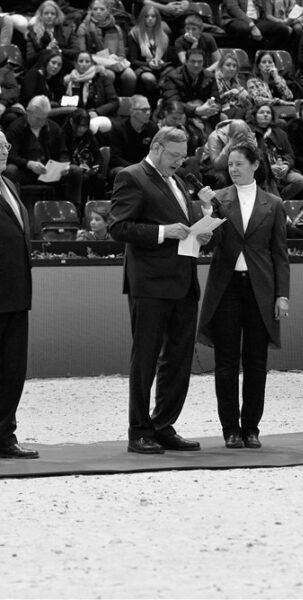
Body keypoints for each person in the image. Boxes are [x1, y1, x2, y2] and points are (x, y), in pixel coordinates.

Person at [109, 127, 212, 454]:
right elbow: (118, 227)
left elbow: (183, 228)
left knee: (178, 360)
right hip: (150, 284)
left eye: (183, 156)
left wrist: (200, 231)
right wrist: (163, 232)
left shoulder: (177, 181)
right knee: (146, 359)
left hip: (183, 282)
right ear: (155, 147)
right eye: (174, 155)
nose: (179, 162)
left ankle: (163, 425)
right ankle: (139, 431)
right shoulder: (132, 176)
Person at [197, 143, 290, 450]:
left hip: (260, 288)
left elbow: (280, 253)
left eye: (239, 163)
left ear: (255, 165)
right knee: (225, 362)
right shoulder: (217, 198)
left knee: (256, 361)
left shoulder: (273, 203)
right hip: (226, 288)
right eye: (230, 165)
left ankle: (251, 428)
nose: (233, 169)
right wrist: (206, 212)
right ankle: (230, 429)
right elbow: (212, 242)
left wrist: (282, 295)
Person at [0, 130, 39, 460]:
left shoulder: (10, 184)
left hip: (16, 293)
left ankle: (5, 436)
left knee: (12, 369)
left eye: (6, 145)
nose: (4, 150)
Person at [5, 95, 84, 213]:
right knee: (10, 170)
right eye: (38, 119)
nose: (41, 122)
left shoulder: (54, 128)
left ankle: (72, 212)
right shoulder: (16, 128)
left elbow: (63, 152)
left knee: (75, 171)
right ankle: (14, 211)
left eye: (44, 118)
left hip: (49, 172)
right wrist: (29, 164)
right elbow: (10, 155)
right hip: (25, 171)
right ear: (28, 112)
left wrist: (64, 165)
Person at [76, 0, 137, 96]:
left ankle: (123, 100)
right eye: (95, 9)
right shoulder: (84, 27)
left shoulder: (116, 29)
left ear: (108, 11)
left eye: (102, 9)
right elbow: (82, 53)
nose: (98, 12)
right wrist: (102, 60)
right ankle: (106, 101)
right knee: (109, 75)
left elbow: (121, 54)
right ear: (90, 10)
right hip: (93, 62)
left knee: (130, 76)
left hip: (113, 63)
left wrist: (118, 59)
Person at [249, 102, 303, 199]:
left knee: (299, 180)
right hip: (262, 172)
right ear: (255, 115)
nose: (265, 115)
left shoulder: (280, 133)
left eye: (268, 113)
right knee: (267, 181)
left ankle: (279, 200)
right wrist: (270, 167)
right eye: (262, 112)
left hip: (281, 169)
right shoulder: (250, 132)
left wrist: (286, 165)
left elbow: (290, 154)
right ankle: (275, 200)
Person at [159, 48, 220, 134]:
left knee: (224, 118)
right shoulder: (172, 76)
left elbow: (216, 98)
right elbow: (172, 102)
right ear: (186, 62)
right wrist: (196, 110)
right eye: (193, 61)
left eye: (199, 62)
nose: (196, 65)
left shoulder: (210, 76)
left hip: (205, 113)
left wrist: (211, 107)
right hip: (180, 113)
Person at [127, 5, 174, 106]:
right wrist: (149, 64)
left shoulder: (163, 36)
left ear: (157, 19)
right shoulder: (134, 34)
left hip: (159, 68)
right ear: (142, 18)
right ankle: (153, 106)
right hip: (142, 68)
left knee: (172, 74)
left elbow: (164, 59)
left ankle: (165, 104)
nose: (150, 19)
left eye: (153, 16)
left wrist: (160, 62)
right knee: (149, 79)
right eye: (146, 16)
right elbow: (133, 61)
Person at [63, 50, 119, 134]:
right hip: (77, 116)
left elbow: (114, 102)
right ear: (75, 64)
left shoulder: (101, 78)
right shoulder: (69, 81)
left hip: (99, 116)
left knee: (91, 125)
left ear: (92, 64)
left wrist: (97, 112)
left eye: (87, 61)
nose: (84, 64)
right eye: (81, 61)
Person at [108, 94, 159, 182]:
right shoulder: (118, 128)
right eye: (144, 110)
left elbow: (156, 153)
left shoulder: (153, 128)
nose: (148, 113)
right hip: (124, 167)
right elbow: (115, 158)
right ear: (132, 111)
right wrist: (137, 168)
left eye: (149, 109)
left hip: (145, 168)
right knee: (123, 173)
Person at [64, 108, 105, 201]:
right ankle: (81, 208)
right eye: (79, 126)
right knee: (84, 179)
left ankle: (100, 207)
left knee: (99, 179)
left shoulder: (89, 135)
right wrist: (80, 168)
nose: (82, 129)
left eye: (85, 126)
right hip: (71, 171)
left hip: (88, 169)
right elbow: (64, 157)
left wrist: (96, 166)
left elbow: (98, 156)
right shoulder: (63, 135)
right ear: (72, 122)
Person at [220, 0, 292, 51]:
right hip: (235, 19)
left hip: (256, 21)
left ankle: (264, 56)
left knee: (283, 29)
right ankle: (242, 61)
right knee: (244, 29)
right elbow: (233, 8)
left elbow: (262, 12)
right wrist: (252, 25)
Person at [25, 0, 79, 68]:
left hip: (64, 66)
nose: (49, 16)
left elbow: (76, 52)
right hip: (41, 67)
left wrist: (59, 50)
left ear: (57, 15)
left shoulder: (67, 30)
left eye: (53, 14)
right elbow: (30, 59)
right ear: (41, 15)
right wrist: (47, 50)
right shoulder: (33, 32)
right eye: (46, 13)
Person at [214, 52, 252, 121]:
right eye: (228, 65)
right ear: (221, 67)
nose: (231, 68)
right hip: (221, 111)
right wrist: (229, 93)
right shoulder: (216, 81)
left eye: (234, 66)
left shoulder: (236, 83)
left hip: (236, 111)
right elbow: (215, 100)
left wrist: (246, 97)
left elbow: (247, 105)